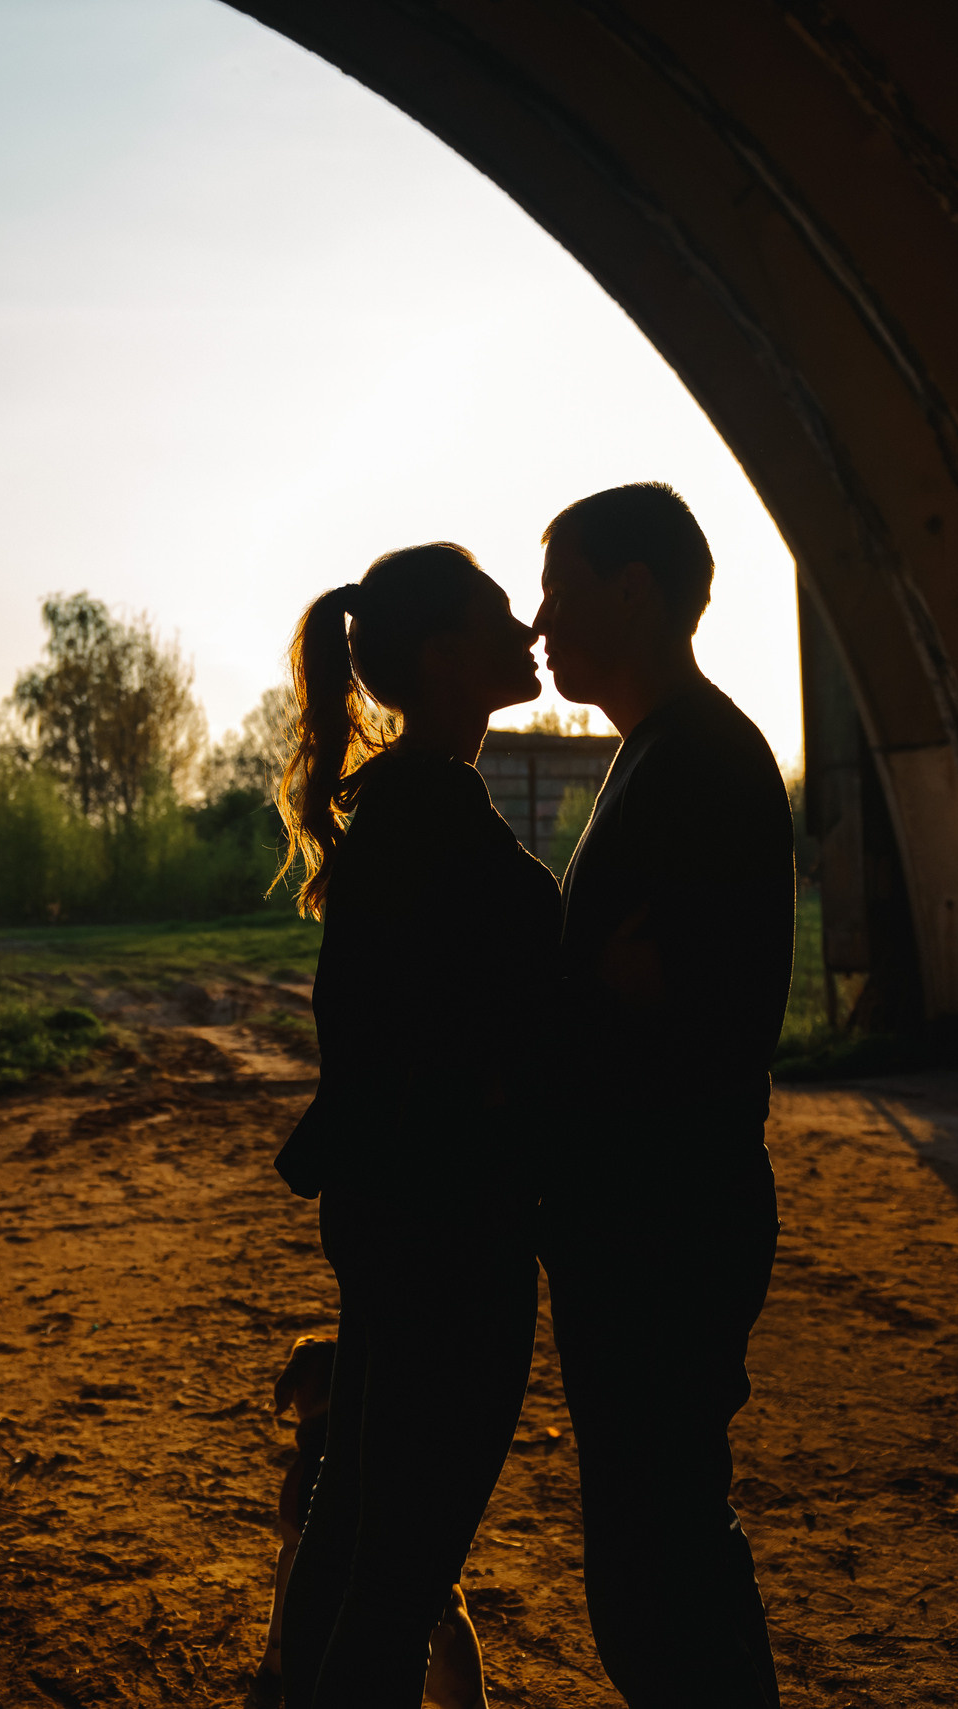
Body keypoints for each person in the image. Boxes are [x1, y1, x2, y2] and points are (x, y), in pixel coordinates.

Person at [264, 543, 562, 1709]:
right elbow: (468, 1046)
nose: (529, 631)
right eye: (499, 615)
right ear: (444, 658)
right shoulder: (441, 830)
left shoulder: (405, 813)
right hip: (453, 1231)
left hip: (396, 1219)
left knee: (357, 1526)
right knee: (401, 1567)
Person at [531, 483, 795, 1707]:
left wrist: (600, 984)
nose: (540, 626)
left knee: (658, 1551)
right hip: (643, 1215)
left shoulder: (700, 759)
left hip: (662, 1222)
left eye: (561, 592)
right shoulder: (663, 749)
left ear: (633, 591)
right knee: (659, 1533)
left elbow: (700, 1006)